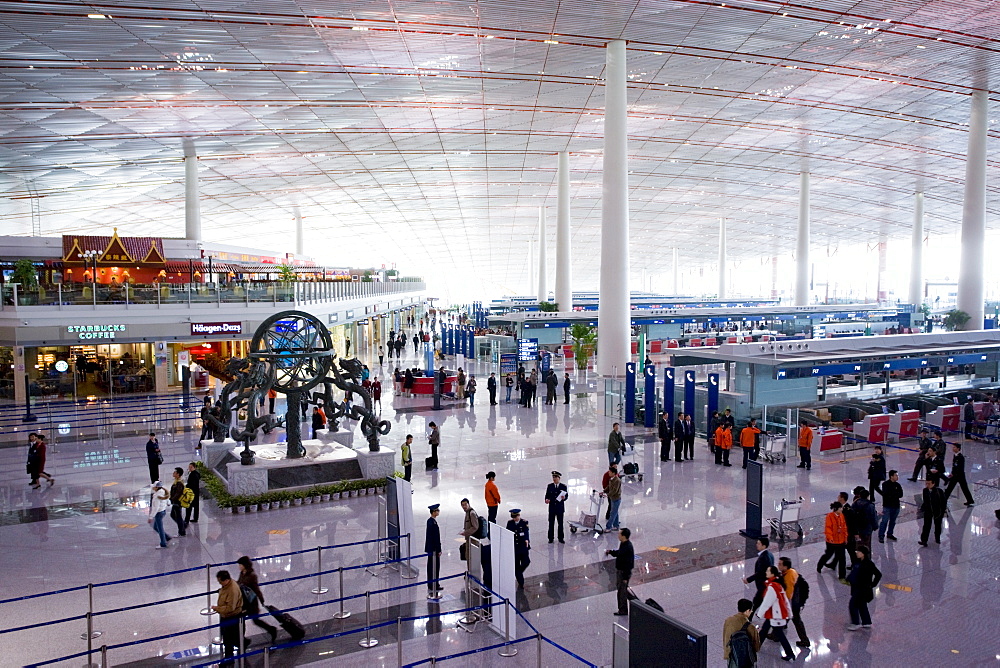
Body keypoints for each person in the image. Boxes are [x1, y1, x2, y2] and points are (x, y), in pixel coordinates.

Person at [755, 566, 795, 661]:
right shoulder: (778, 585)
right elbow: (785, 600)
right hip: (775, 614)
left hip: (776, 615)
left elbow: (767, 602)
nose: (766, 572)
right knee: (764, 630)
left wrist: (759, 614)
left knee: (779, 634)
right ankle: (756, 646)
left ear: (772, 574)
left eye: (768, 571)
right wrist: (789, 613)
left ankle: (790, 653)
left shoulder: (772, 587)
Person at [237, 556, 278, 645]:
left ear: (245, 565)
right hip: (244, 602)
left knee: (254, 620)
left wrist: (262, 600)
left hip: (251, 603)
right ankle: (243, 639)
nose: (239, 566)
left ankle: (271, 629)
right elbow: (239, 583)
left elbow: (256, 589)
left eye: (240, 564)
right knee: (243, 619)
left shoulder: (252, 576)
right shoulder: (242, 573)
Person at [212, 570, 244, 667]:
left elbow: (231, 608)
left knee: (228, 638)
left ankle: (229, 659)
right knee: (228, 638)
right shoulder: (227, 585)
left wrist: (217, 608)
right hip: (226, 615)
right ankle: (230, 655)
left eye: (221, 582)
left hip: (231, 616)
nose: (220, 584)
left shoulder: (232, 590)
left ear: (226, 580)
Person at [777, 556, 810, 648]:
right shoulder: (791, 572)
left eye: (780, 564)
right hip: (795, 603)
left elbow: (788, 594)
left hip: (792, 604)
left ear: (785, 566)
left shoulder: (789, 577)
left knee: (795, 620)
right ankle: (775, 635)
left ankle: (805, 640)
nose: (778, 566)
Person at [846, 545, 881, 630]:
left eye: (859, 552)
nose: (857, 553)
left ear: (863, 554)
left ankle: (855, 623)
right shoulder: (857, 562)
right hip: (856, 587)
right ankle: (866, 622)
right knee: (862, 605)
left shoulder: (868, 564)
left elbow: (878, 574)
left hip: (862, 588)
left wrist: (872, 584)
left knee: (853, 604)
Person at [722, 599, 761, 667]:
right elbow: (757, 647)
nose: (751, 612)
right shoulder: (750, 627)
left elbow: (725, 638)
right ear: (747, 611)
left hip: (732, 656)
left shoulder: (728, 620)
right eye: (751, 610)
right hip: (746, 660)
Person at [606, 527, 634, 616]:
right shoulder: (623, 544)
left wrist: (626, 577)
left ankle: (623, 610)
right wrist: (611, 552)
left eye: (619, 534)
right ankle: (623, 608)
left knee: (622, 592)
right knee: (621, 590)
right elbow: (619, 553)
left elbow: (629, 563)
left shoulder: (628, 547)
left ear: (624, 536)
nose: (618, 535)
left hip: (623, 573)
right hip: (620, 571)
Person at [817, 501, 848, 581]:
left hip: (840, 541)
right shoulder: (829, 516)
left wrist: (845, 538)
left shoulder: (841, 516)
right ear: (836, 509)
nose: (842, 509)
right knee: (828, 554)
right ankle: (820, 565)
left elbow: (844, 527)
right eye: (841, 508)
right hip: (832, 542)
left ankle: (842, 576)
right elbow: (828, 528)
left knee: (842, 558)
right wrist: (830, 538)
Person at [743, 536, 774, 609]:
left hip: (763, 582)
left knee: (757, 601)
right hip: (766, 582)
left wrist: (748, 579)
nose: (757, 545)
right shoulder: (769, 554)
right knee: (760, 600)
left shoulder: (764, 557)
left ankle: (750, 616)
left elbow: (760, 572)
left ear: (764, 546)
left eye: (759, 544)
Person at [875, 470, 903, 542]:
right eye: (896, 475)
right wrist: (895, 494)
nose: (897, 477)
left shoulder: (898, 485)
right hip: (887, 506)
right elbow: (887, 494)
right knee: (884, 521)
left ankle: (890, 533)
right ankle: (881, 535)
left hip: (896, 506)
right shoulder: (885, 484)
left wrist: (894, 494)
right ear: (891, 476)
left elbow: (901, 494)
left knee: (893, 521)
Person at [918, 477, 946, 546]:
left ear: (933, 483)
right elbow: (925, 501)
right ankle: (924, 540)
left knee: (938, 525)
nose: (927, 485)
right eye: (926, 484)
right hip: (928, 511)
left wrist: (942, 511)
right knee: (926, 526)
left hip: (938, 511)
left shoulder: (939, 491)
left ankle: (937, 538)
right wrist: (922, 508)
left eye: (929, 484)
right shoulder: (925, 491)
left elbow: (943, 502)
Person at [507, 509, 531, 588]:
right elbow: (508, 533)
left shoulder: (524, 523)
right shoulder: (510, 523)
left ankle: (518, 572)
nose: (514, 519)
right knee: (516, 565)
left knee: (526, 561)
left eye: (516, 517)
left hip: (523, 546)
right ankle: (521, 582)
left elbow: (526, 531)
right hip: (515, 548)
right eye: (513, 517)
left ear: (519, 515)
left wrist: (527, 540)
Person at [544, 470, 568, 544]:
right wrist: (546, 499)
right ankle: (550, 538)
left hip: (560, 508)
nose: (554, 479)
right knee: (551, 523)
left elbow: (566, 496)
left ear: (559, 478)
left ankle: (561, 538)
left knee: (560, 523)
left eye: (556, 477)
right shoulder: (550, 486)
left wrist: (564, 498)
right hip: (552, 508)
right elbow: (547, 495)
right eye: (553, 477)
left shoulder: (563, 486)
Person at [425, 504, 442, 596]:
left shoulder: (430, 521)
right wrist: (439, 549)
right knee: (434, 567)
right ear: (434, 512)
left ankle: (433, 583)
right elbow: (435, 538)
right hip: (434, 549)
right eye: (437, 510)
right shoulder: (433, 523)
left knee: (431, 567)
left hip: (431, 549)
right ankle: (433, 584)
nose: (438, 512)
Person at [148, 481, 171, 548]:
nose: (152, 488)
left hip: (159, 513)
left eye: (153, 487)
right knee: (156, 527)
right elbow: (167, 500)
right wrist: (168, 503)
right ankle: (166, 537)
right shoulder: (163, 492)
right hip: (163, 511)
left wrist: (151, 517)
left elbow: (156, 508)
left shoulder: (157, 496)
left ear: (156, 487)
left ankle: (163, 543)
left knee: (160, 528)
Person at [168, 467, 187, 537]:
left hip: (177, 502)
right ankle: (183, 525)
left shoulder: (179, 483)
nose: (173, 473)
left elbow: (178, 493)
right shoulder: (176, 482)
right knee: (173, 515)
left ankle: (181, 531)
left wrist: (172, 499)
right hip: (175, 502)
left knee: (178, 516)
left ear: (178, 474)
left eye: (175, 472)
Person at [184, 462, 201, 526]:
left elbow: (192, 484)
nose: (190, 468)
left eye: (191, 467)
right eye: (189, 467)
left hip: (192, 493)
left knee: (189, 506)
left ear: (194, 467)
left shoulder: (193, 475)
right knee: (196, 506)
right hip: (195, 492)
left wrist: (187, 487)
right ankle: (195, 518)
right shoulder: (196, 474)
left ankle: (187, 519)